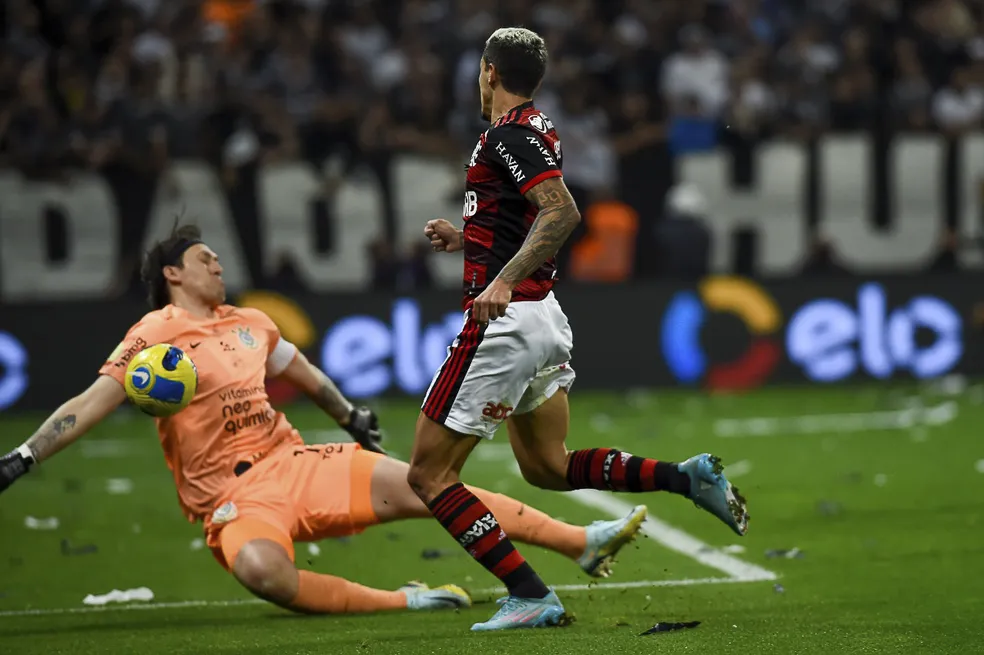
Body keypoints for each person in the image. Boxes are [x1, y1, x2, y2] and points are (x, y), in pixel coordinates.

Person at [0, 224, 649, 616]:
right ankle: (407, 598)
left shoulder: (252, 322)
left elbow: (306, 374)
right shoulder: (153, 338)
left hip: (297, 463)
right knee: (264, 575)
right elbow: (87, 403)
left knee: (432, 483)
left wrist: (351, 415)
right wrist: (24, 456)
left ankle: (581, 541)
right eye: (204, 259)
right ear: (172, 273)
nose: (218, 264)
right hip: (230, 498)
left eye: (218, 258)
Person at [407, 27, 750, 632]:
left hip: (508, 322)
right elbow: (520, 215)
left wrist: (502, 279)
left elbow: (561, 211)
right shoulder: (536, 128)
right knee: (548, 467)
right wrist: (469, 241)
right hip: (543, 319)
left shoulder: (510, 134)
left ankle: (529, 592)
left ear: (488, 73)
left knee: (429, 475)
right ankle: (686, 477)